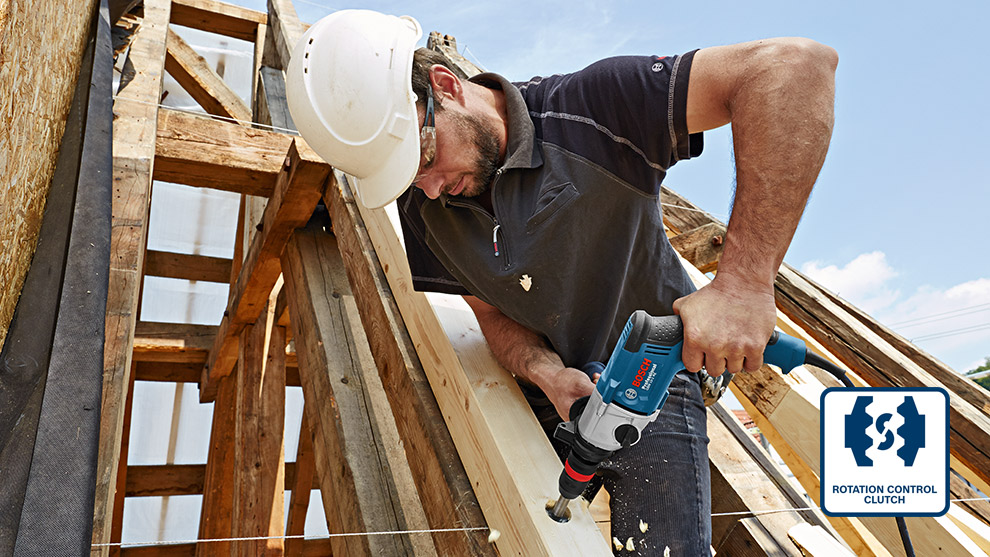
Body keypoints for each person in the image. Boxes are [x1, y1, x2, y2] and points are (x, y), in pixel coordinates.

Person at [286, 9, 837, 555]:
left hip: (653, 378)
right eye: (409, 176)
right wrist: (547, 374)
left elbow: (795, 66)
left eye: (424, 157)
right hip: (550, 393)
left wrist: (742, 284)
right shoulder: (424, 205)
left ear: (446, 86)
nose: (428, 189)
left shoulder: (591, 110)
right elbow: (492, 316)